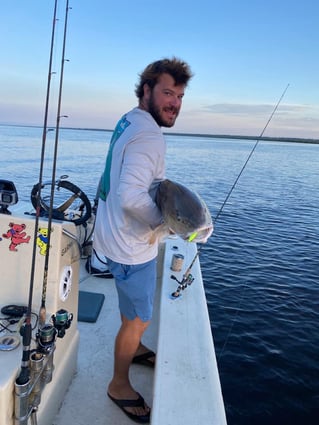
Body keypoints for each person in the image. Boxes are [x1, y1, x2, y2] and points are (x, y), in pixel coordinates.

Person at [93, 57, 193, 423]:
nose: (175, 103)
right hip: (132, 245)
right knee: (139, 319)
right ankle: (119, 384)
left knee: (129, 307)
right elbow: (130, 196)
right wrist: (164, 226)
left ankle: (132, 349)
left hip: (111, 237)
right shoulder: (150, 136)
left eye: (180, 96)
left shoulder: (129, 120)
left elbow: (115, 183)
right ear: (147, 90)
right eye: (167, 93)